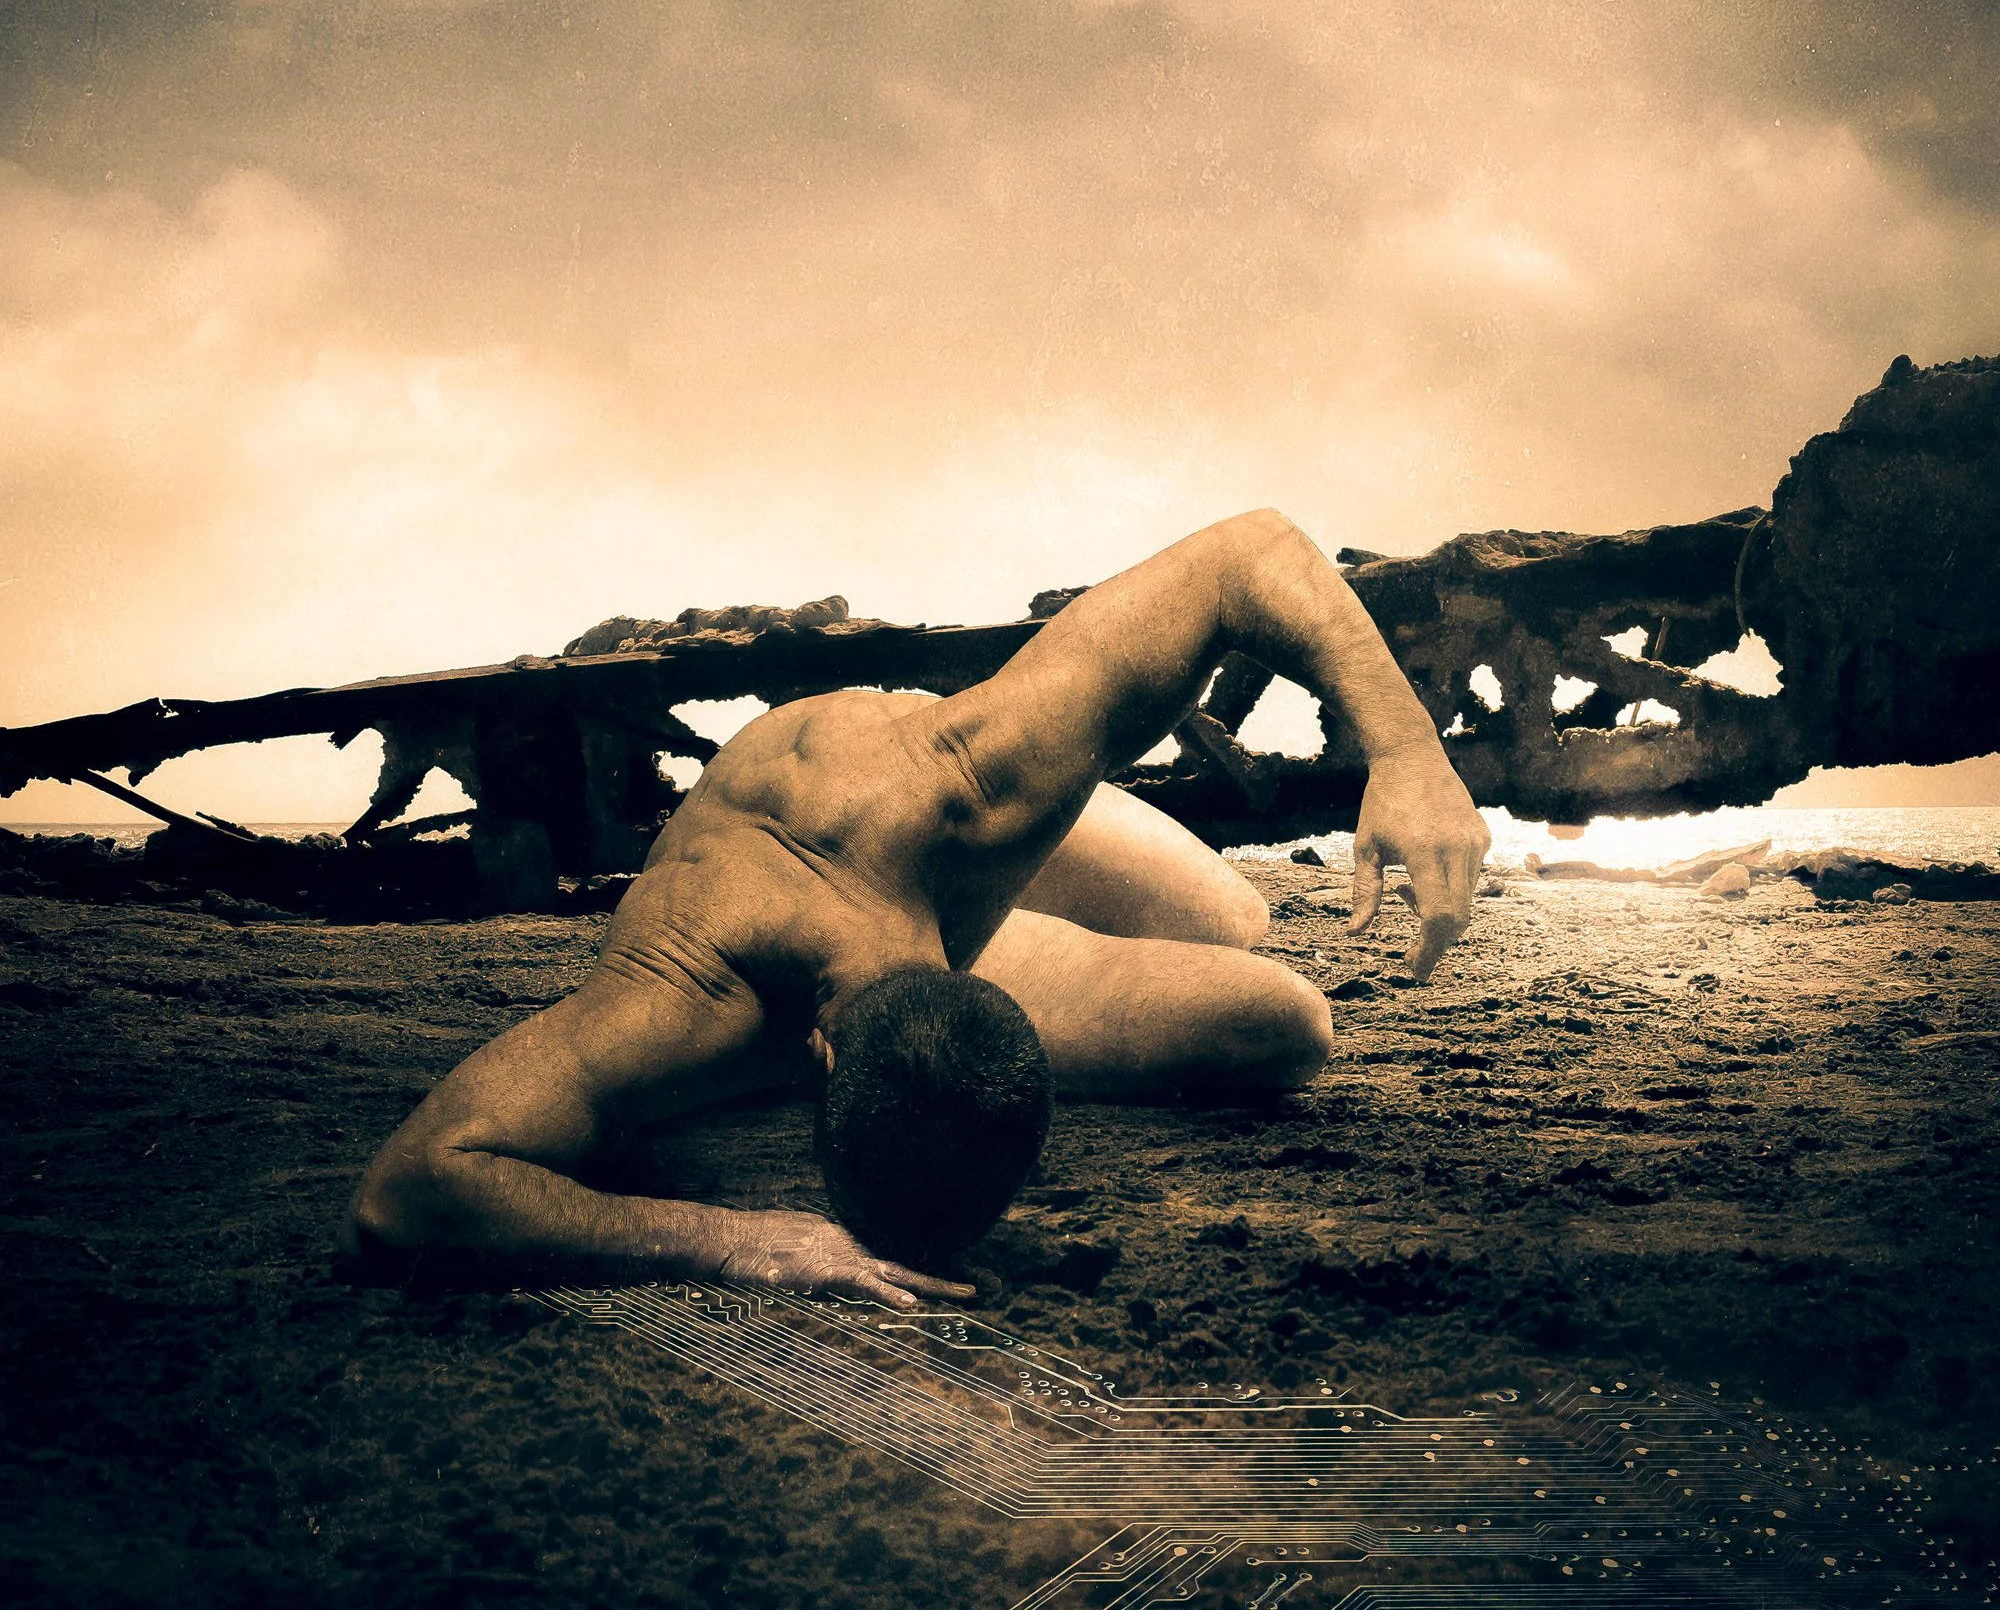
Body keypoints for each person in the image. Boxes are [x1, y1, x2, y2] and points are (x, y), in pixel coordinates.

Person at [345, 511, 1490, 1305]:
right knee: (1283, 1021)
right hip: (806, 869)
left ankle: (1063, 847)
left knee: (1231, 910)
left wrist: (1408, 753)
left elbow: (1249, 551)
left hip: (901, 807)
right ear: (818, 1052)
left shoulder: (972, 783)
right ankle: (1062, 895)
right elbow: (412, 1184)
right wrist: (730, 1237)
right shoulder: (688, 1001)